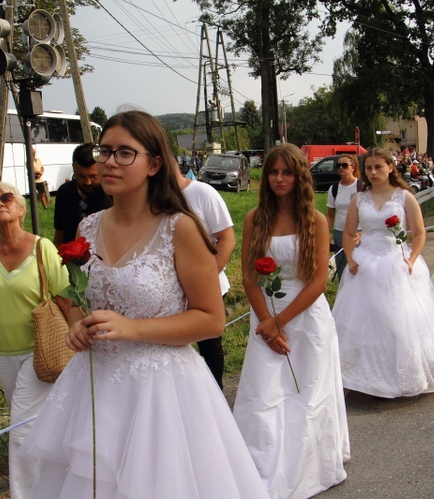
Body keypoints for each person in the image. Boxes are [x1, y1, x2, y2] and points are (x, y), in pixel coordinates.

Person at [21, 110, 267, 498]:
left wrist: (131, 328)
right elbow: (75, 294)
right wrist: (75, 321)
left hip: (163, 393)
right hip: (95, 385)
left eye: (124, 153)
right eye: (105, 152)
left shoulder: (180, 228)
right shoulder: (88, 227)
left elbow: (211, 320)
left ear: (154, 164)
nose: (109, 163)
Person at [234, 143, 349, 499]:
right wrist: (266, 323)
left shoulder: (314, 220)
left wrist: (279, 321)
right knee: (265, 391)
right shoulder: (255, 217)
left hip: (305, 317)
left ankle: (306, 463)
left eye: (287, 172)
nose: (279, 179)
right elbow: (249, 277)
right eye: (273, 172)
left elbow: (317, 280)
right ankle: (264, 467)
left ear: (300, 176)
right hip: (265, 315)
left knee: (306, 393)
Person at [0, 181, 70, 499]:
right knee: (36, 426)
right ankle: (59, 483)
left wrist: (81, 339)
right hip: (2, 354)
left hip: (39, 351)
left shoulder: (43, 248)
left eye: (6, 198)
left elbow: (66, 299)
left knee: (22, 429)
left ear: (20, 207)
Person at [331, 148, 434, 399]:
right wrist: (351, 258)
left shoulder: (404, 197)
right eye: (368, 168)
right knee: (362, 322)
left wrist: (412, 258)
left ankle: (401, 374)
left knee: (399, 321)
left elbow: (419, 233)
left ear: (390, 168)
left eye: (378, 167)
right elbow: (347, 232)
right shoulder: (359, 199)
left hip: (396, 262)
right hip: (365, 264)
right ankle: (363, 376)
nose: (373, 172)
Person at [178, 174, 236, 389]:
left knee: (209, 347)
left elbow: (228, 239)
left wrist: (207, 279)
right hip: (171, 288)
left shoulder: (202, 193)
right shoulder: (150, 197)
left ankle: (215, 397)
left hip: (209, 285)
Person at [53, 143, 112, 246]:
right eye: (81, 176)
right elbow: (59, 233)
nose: (87, 182)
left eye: (93, 176)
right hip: (70, 259)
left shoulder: (112, 195)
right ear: (73, 168)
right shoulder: (64, 193)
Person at [326, 154, 361, 280]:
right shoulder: (334, 189)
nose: (341, 168)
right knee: (343, 270)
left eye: (344, 165)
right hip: (340, 233)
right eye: (338, 165)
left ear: (353, 167)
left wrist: (362, 232)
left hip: (358, 233)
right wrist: (327, 234)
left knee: (359, 267)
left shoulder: (361, 187)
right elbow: (330, 215)